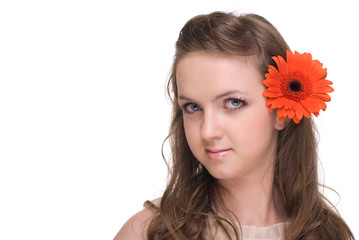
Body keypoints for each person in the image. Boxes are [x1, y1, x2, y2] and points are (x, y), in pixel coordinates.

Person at [114, 11, 354, 240]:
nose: (208, 131)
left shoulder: (329, 234)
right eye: (193, 107)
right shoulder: (148, 232)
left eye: (233, 102)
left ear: (283, 111)